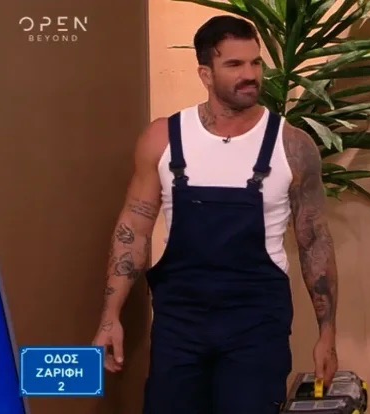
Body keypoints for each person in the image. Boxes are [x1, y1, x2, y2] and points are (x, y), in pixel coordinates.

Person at [91, 15, 339, 414]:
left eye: (255, 63)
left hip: (257, 328)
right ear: (205, 73)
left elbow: (315, 242)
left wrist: (327, 334)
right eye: (234, 64)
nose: (250, 75)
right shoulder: (164, 138)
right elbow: (133, 229)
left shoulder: (292, 145)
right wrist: (110, 316)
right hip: (179, 325)